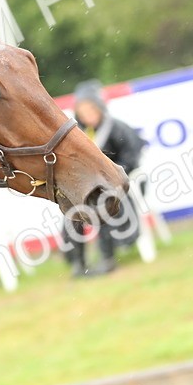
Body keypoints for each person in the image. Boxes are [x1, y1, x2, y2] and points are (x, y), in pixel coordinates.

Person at [64, 80, 147, 277]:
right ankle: (79, 262)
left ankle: (107, 258)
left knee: (105, 206)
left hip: (119, 184)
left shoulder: (117, 129)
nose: (87, 114)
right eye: (83, 110)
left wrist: (110, 176)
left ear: (99, 108)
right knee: (72, 210)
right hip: (90, 188)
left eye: (91, 109)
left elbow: (131, 158)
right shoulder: (77, 135)